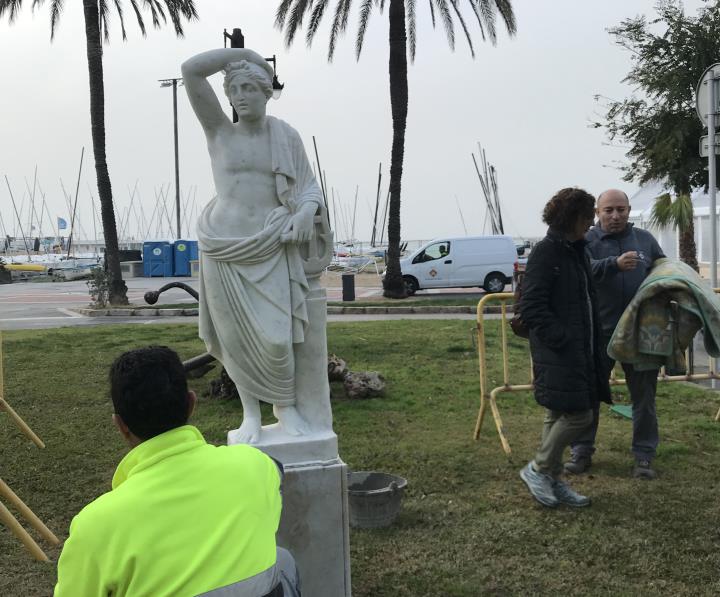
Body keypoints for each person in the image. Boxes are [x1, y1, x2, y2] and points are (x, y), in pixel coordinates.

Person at [54, 346, 300, 597]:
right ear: (191, 403)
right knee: (284, 561)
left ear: (120, 425)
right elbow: (275, 470)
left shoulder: (94, 527)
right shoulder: (255, 465)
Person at [181, 49, 326, 443]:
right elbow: (191, 71)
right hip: (223, 249)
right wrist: (245, 55)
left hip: (270, 245)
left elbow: (310, 187)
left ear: (265, 92)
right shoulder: (219, 132)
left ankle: (287, 409)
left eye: (249, 87)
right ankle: (250, 416)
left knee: (278, 338)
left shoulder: (285, 136)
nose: (241, 96)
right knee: (235, 339)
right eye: (234, 89)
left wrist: (302, 212)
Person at [518, 188, 611, 508]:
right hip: (560, 350)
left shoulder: (575, 250)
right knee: (580, 415)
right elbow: (532, 306)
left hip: (578, 347)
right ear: (571, 218)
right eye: (587, 217)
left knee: (557, 412)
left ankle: (554, 481)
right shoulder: (547, 252)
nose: (591, 223)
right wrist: (562, 338)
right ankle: (538, 469)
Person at [565, 189, 665, 479]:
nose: (615, 215)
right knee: (590, 395)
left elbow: (662, 268)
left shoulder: (645, 239)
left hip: (640, 333)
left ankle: (644, 457)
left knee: (643, 397)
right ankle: (581, 451)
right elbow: (580, 271)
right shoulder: (586, 240)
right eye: (608, 210)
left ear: (629, 209)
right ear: (597, 213)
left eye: (621, 209)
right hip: (599, 333)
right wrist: (614, 264)